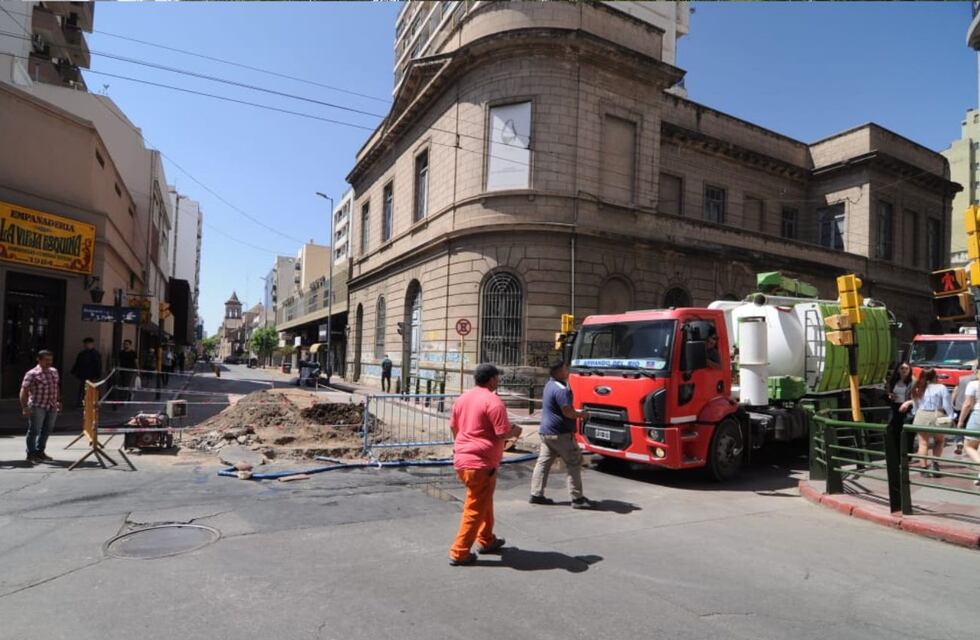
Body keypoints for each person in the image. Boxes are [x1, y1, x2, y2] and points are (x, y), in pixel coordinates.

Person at [448, 363, 523, 566]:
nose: (498, 381)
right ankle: (459, 551)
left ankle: (487, 538)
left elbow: (454, 427)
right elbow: (502, 432)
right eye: (497, 378)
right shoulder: (493, 401)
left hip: (463, 460)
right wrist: (516, 430)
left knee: (483, 500)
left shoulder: (462, 398)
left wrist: (462, 447)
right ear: (491, 380)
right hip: (481, 464)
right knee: (474, 507)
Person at [530, 361, 596, 508]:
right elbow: (567, 412)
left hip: (546, 432)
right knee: (574, 462)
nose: (568, 371)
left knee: (543, 463)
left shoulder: (549, 385)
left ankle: (536, 494)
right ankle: (577, 498)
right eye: (566, 369)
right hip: (561, 433)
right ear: (559, 371)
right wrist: (582, 415)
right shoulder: (561, 389)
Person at [901, 367, 952, 478]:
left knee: (923, 443)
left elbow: (915, 405)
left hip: (921, 414)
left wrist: (916, 413)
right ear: (935, 376)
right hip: (936, 414)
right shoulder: (941, 387)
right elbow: (947, 404)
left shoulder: (918, 387)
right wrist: (951, 415)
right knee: (939, 441)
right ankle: (935, 464)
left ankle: (924, 469)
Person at [20, 350, 61, 464]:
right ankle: (31, 454)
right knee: (34, 430)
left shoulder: (54, 371)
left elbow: (56, 387)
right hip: (37, 405)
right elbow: (24, 391)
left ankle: (40, 452)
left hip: (51, 406)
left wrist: (58, 400)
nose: (49, 362)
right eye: (46, 360)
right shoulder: (32, 373)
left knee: (47, 430)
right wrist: (24, 407)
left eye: (51, 360)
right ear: (39, 359)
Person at [954, 369, 980, 485]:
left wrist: (960, 421)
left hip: (977, 415)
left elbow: (968, 404)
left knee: (968, 445)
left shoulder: (973, 384)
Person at [69, 337, 102, 407]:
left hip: (92, 375)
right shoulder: (82, 354)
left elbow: (98, 364)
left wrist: (97, 374)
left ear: (92, 344)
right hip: (83, 374)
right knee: (83, 389)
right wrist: (74, 371)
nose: (86, 345)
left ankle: (93, 403)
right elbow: (77, 363)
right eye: (85, 344)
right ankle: (82, 403)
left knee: (91, 389)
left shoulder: (95, 354)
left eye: (88, 344)